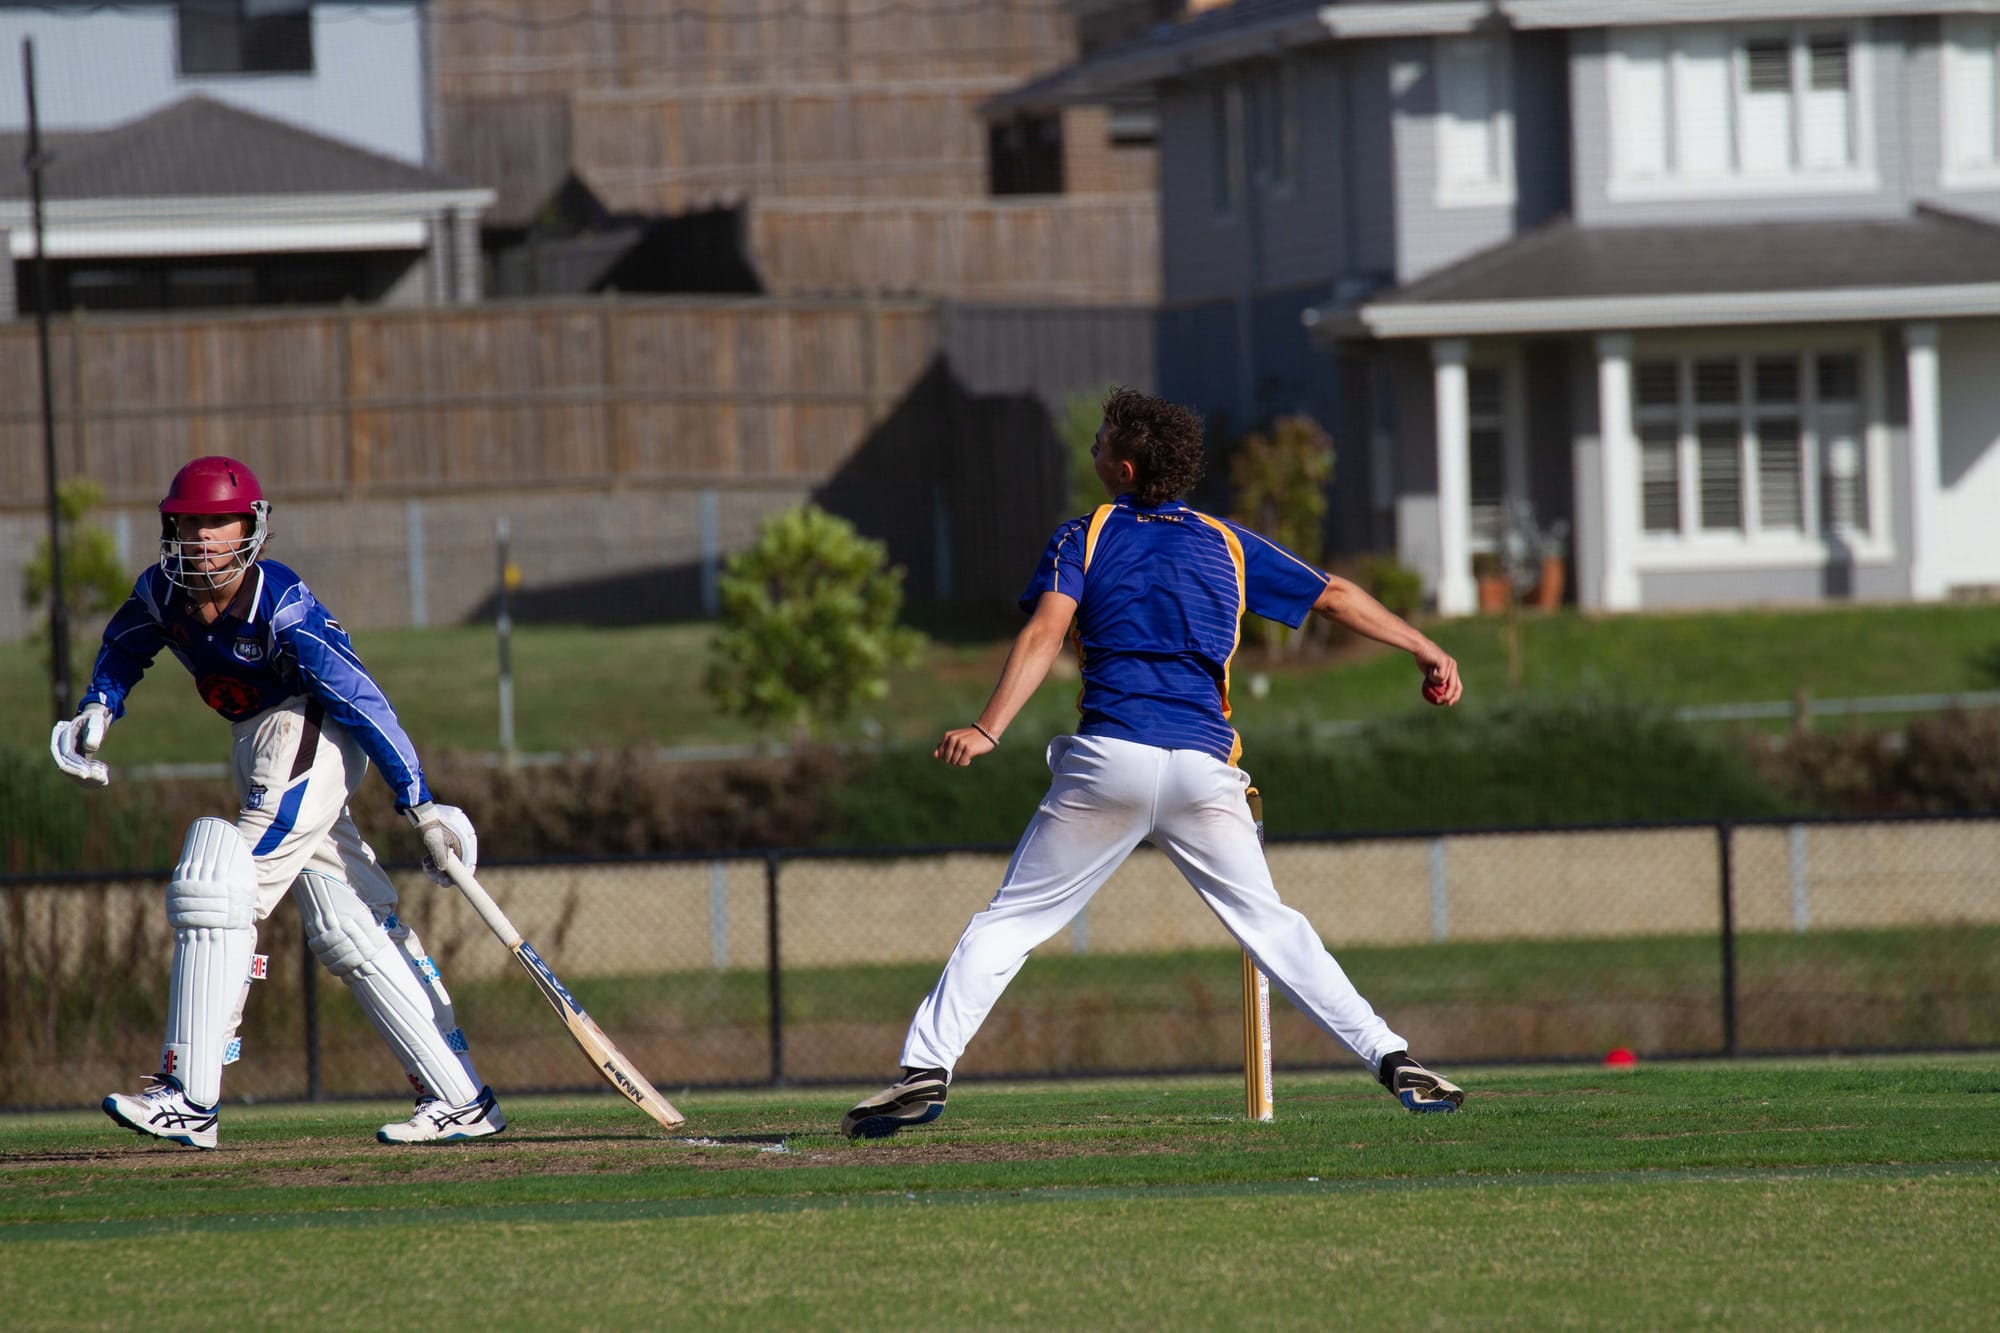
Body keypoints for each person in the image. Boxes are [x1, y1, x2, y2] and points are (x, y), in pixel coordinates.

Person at [841, 389, 1466, 1140]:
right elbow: (1330, 595)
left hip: (1111, 759)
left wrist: (987, 727)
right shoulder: (1226, 542)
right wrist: (1425, 646)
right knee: (1274, 926)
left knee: (1008, 923)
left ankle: (925, 1071)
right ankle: (1392, 1058)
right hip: (1204, 770)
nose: (1092, 448)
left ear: (1125, 468)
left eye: (1100, 439)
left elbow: (1046, 631)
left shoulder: (1086, 535)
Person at [50, 456, 506, 1148]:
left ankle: (189, 1095)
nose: (202, 537)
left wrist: (421, 803)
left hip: (308, 736)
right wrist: (98, 708)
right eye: (189, 522)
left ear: (250, 529)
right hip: (256, 745)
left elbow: (361, 699)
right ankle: (462, 1096)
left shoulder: (282, 605)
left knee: (217, 884)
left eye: (217, 523)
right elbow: (123, 648)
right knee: (348, 922)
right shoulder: (159, 595)